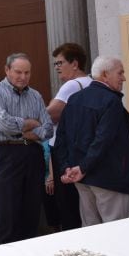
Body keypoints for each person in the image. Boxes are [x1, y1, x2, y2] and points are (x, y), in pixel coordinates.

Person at [55, 56, 129, 226]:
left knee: (91, 234)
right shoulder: (111, 101)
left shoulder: (74, 99)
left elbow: (61, 138)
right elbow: (103, 140)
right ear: (105, 75)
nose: (124, 78)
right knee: (117, 234)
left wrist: (66, 168)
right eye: (120, 73)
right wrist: (82, 167)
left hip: (82, 180)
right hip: (110, 180)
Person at [0, 53, 53, 243]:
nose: (23, 77)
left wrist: (24, 129)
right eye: (18, 72)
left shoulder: (36, 95)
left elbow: (47, 129)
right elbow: (4, 125)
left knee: (31, 210)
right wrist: (30, 123)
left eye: (27, 72)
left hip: (32, 153)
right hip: (6, 153)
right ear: (7, 70)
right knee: (8, 210)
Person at [45, 42, 91, 230]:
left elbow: (49, 114)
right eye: (55, 64)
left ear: (75, 64)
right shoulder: (90, 82)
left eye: (60, 63)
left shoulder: (72, 85)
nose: (56, 67)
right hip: (82, 148)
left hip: (65, 150)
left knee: (67, 204)